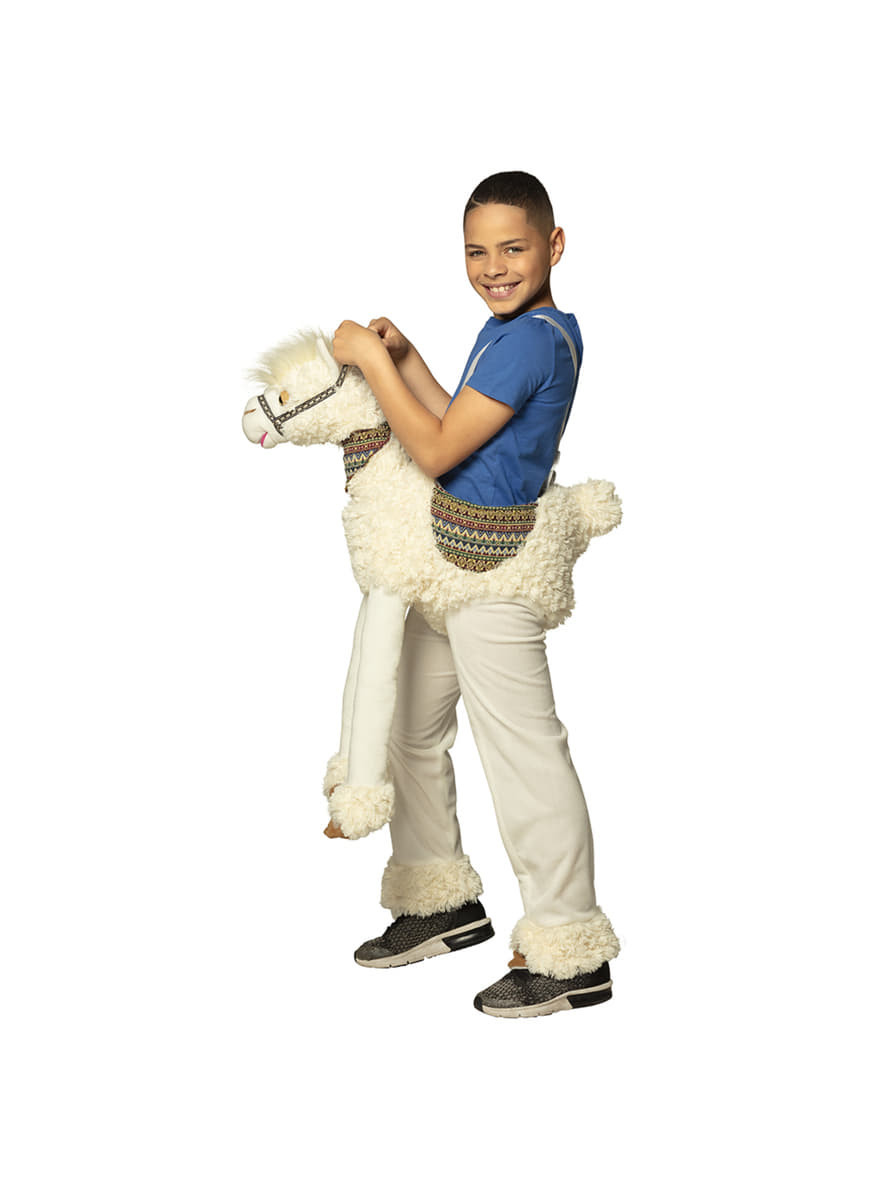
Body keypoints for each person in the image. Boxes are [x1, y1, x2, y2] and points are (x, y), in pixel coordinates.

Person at [331, 171, 619, 1018]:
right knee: (409, 728)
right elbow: (457, 425)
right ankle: (438, 900)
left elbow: (430, 450)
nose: (494, 266)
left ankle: (568, 948)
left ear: (553, 245)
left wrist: (366, 361)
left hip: (496, 568)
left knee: (522, 751)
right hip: (447, 559)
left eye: (513, 248)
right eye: (476, 251)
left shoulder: (532, 341)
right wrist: (407, 360)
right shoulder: (507, 331)